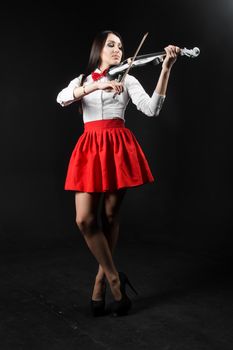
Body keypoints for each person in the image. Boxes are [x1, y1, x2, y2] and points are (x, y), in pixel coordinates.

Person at [56, 30, 180, 317]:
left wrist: (166, 69)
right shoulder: (83, 80)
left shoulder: (129, 78)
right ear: (98, 49)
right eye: (111, 45)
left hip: (116, 147)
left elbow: (151, 110)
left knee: (110, 217)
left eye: (121, 47)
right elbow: (63, 99)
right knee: (85, 219)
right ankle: (114, 278)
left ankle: (100, 283)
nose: (117, 50)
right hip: (90, 147)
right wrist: (95, 88)